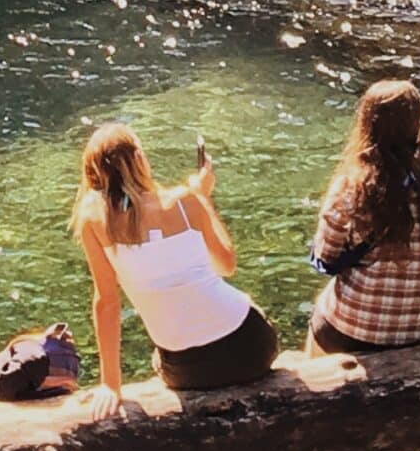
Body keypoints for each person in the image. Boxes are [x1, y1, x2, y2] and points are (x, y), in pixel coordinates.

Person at [74, 121, 278, 396]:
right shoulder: (185, 201)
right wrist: (202, 198)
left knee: (156, 360)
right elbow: (226, 265)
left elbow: (107, 303)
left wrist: (111, 386)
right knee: (247, 305)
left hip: (185, 371)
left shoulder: (94, 222)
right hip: (251, 350)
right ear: (138, 159)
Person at [306, 80, 420, 354]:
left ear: (367, 125)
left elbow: (326, 257)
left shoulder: (352, 188)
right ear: (419, 123)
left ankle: (314, 377)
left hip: (356, 331)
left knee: (323, 306)